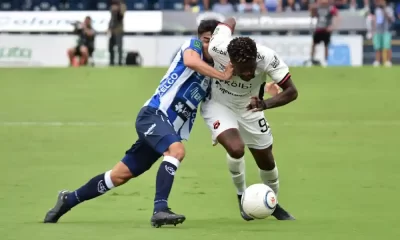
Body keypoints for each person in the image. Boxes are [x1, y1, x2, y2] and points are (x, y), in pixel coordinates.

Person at [44, 20, 233, 227]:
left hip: (167, 129)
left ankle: (68, 200)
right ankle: (160, 209)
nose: (209, 46)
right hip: (153, 115)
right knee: (176, 151)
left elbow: (210, 106)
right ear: (200, 39)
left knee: (118, 176)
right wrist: (223, 68)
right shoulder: (192, 47)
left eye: (214, 42)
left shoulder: (213, 72)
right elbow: (190, 61)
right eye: (206, 40)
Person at [201, 17, 298, 221]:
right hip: (219, 105)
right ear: (230, 61)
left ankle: (272, 204)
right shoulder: (217, 48)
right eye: (241, 68)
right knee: (236, 148)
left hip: (251, 107)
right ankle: (241, 196)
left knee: (267, 161)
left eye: (251, 68)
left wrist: (265, 104)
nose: (247, 73)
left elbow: (292, 92)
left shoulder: (267, 57)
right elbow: (228, 21)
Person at [309, 0, 339, 66]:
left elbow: (337, 16)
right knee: (314, 44)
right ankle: (311, 59)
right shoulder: (317, 7)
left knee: (326, 46)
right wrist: (312, 9)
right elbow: (312, 15)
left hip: (326, 29)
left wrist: (332, 26)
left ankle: (325, 61)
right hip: (318, 29)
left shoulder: (331, 8)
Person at [370, 0, 394, 67]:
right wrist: (373, 30)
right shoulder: (376, 10)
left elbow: (391, 19)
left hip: (386, 30)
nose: (379, 2)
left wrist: (384, 11)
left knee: (387, 47)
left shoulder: (389, 9)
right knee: (377, 47)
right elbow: (375, 20)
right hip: (377, 31)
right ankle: (377, 61)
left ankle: (388, 61)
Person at [108, 0, 126, 66]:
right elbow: (111, 19)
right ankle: (111, 62)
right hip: (112, 31)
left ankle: (120, 62)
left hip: (118, 31)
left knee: (119, 47)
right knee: (110, 47)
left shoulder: (122, 6)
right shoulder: (112, 6)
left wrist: (118, 9)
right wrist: (109, 28)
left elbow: (121, 16)